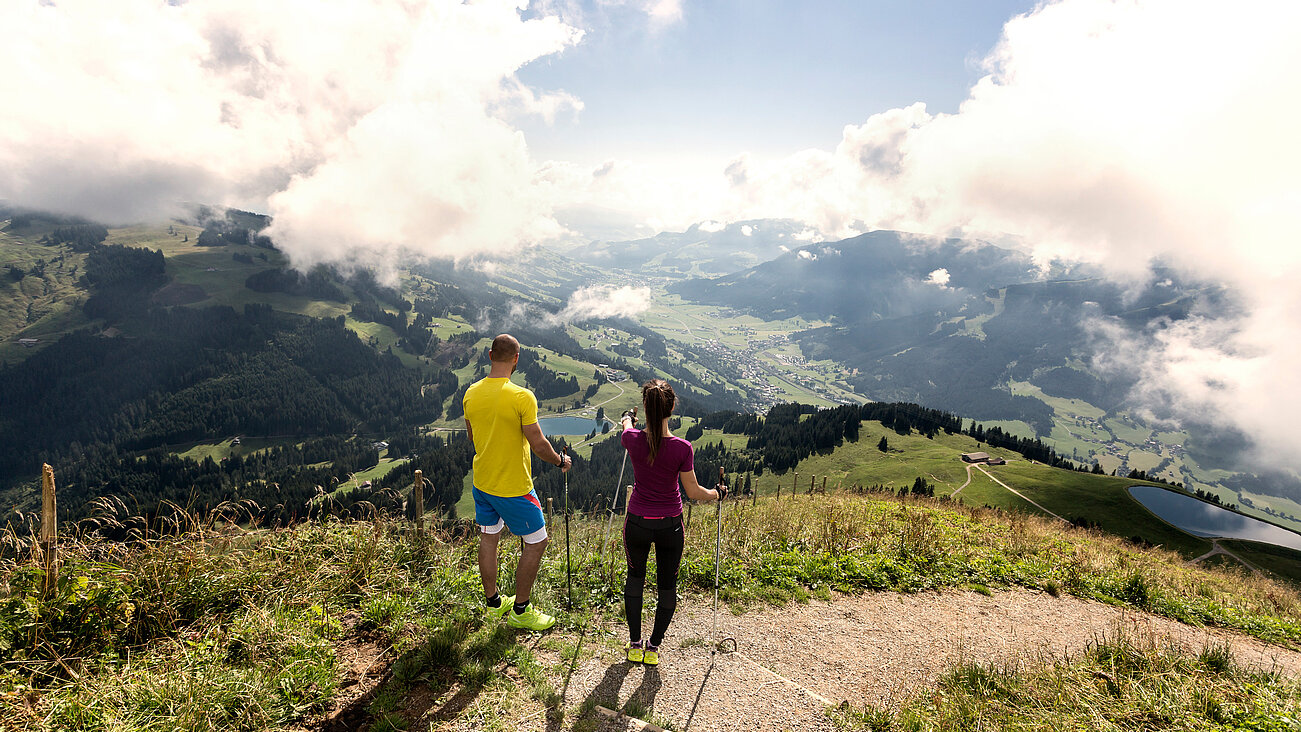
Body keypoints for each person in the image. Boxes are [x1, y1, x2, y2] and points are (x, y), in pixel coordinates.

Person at [463, 334, 572, 631]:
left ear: (490, 355)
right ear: (516, 359)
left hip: (482, 482)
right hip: (513, 486)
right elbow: (538, 444)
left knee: (489, 538)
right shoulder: (522, 397)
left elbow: (472, 436)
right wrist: (560, 461)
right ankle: (521, 610)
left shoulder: (471, 393)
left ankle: (494, 604)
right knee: (537, 542)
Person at [619, 379, 724, 666]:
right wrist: (717, 494)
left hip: (637, 522)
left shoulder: (632, 440)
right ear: (672, 407)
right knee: (667, 586)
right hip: (671, 526)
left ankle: (634, 644)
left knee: (635, 579)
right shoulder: (682, 448)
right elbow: (694, 492)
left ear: (645, 407)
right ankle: (653, 647)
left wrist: (628, 418)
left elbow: (626, 428)